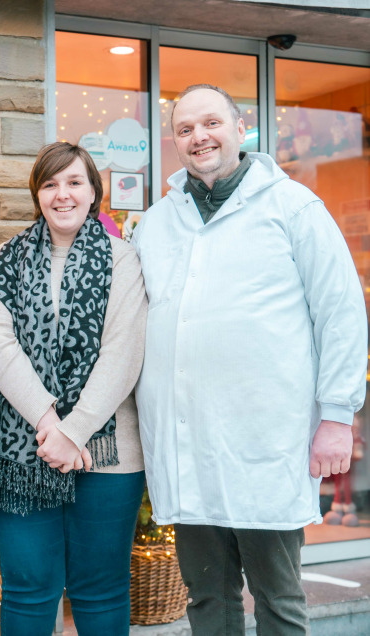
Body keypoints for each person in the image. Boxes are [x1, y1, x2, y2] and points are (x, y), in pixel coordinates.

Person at [132, 84, 368, 635]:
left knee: (278, 600)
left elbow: (340, 312)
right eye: (185, 129)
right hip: (188, 446)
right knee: (207, 600)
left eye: (210, 123)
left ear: (240, 129)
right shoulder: (159, 222)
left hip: (266, 445)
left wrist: (336, 416)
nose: (199, 138)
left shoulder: (293, 207)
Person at [0, 142, 147, 636]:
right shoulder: (8, 256)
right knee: (29, 590)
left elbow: (124, 351)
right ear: (37, 194)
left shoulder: (122, 258)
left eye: (74, 182)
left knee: (101, 587)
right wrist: (50, 424)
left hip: (109, 455)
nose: (62, 194)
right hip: (22, 448)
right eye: (50, 184)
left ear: (93, 191)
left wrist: (76, 431)